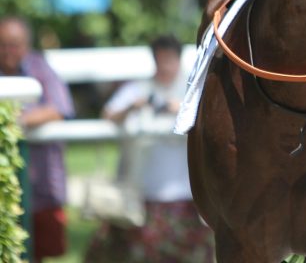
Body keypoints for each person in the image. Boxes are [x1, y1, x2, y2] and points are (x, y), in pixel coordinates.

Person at [84, 35, 214, 263]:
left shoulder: (192, 90)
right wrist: (134, 106)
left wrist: (183, 110)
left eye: (169, 60)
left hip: (187, 197)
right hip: (142, 196)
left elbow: (214, 122)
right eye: (160, 60)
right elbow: (109, 115)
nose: (165, 66)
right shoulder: (138, 89)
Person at [0, 16, 75, 262]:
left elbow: (59, 108)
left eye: (14, 44)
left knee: (39, 252)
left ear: (26, 45)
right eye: (2, 44)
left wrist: (13, 121)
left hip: (41, 183)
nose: (8, 51)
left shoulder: (40, 68)